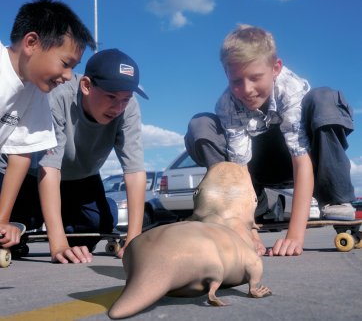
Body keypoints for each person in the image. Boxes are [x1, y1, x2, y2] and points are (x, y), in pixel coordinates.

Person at [185, 24, 356, 257]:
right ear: (226, 74)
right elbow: (239, 169)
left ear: (276, 68)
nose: (246, 90)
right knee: (201, 124)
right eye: (236, 81)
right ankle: (243, 211)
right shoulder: (227, 104)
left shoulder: (290, 88)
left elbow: (301, 160)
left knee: (323, 98)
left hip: (302, 161)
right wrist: (247, 230)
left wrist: (295, 236)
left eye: (256, 78)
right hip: (257, 173)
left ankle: (335, 198)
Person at [0, 48, 148, 264]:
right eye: (111, 96)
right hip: (32, 176)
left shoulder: (128, 108)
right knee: (14, 226)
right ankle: (29, 221)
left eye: (125, 99)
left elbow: (134, 172)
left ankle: (73, 215)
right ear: (86, 86)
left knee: (99, 226)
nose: (118, 107)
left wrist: (134, 239)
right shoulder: (59, 96)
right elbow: (49, 168)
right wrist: (57, 243)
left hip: (82, 177)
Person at [0, 0, 95, 249]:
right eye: (65, 64)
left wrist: (2, 221)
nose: (68, 76)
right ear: (31, 43)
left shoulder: (35, 93)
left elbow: (21, 153)